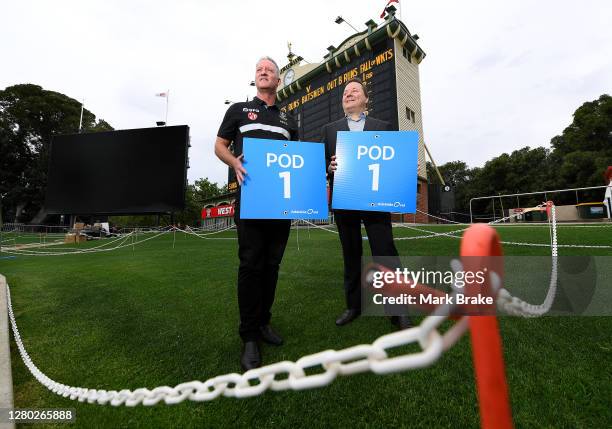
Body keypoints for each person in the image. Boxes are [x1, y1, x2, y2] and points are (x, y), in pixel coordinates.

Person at [214, 56, 298, 370]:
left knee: (272, 265)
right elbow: (220, 145)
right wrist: (234, 162)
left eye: (270, 70)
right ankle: (249, 336)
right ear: (256, 79)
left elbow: (297, 161)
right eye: (259, 70)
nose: (264, 72)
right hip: (250, 200)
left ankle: (264, 322)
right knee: (251, 264)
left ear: (278, 80)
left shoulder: (290, 119)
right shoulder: (238, 110)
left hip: (280, 204)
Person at [321, 77, 412, 329]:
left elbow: (394, 161)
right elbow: (322, 165)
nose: (348, 94)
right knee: (351, 254)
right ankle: (353, 306)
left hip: (375, 199)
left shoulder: (382, 127)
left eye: (354, 90)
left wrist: (405, 166)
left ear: (365, 98)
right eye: (345, 92)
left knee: (385, 252)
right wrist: (328, 167)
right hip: (345, 198)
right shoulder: (329, 130)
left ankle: (398, 310)